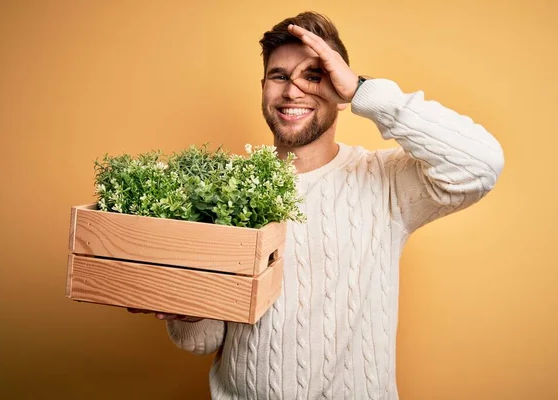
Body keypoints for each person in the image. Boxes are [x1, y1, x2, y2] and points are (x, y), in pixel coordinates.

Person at [130, 11, 504, 399]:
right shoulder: (226, 191)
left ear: (340, 92)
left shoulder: (386, 180)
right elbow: (202, 341)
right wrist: (188, 307)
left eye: (314, 76)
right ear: (263, 87)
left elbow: (480, 163)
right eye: (279, 76)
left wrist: (361, 89)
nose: (293, 92)